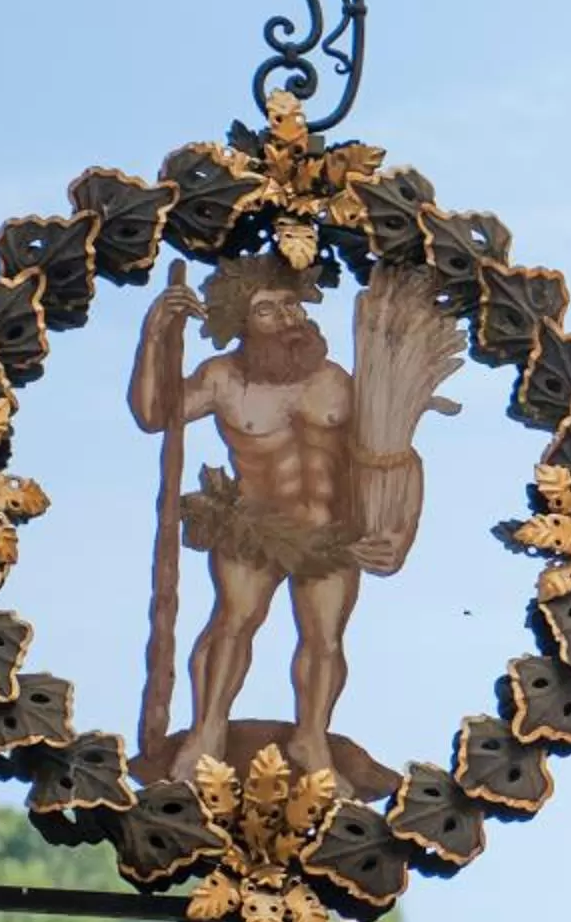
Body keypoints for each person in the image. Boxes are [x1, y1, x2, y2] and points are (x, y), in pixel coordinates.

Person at [128, 259, 407, 784]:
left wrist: (397, 530)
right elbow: (154, 414)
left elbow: (394, 457)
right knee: (233, 623)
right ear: (241, 322)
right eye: (266, 310)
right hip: (255, 527)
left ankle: (312, 739)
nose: (285, 318)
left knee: (325, 640)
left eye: (289, 304)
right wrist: (154, 335)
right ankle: (207, 731)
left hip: (329, 531)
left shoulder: (336, 381)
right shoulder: (223, 379)